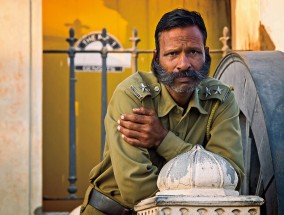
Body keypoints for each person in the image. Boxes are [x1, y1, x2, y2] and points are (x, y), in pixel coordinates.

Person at [80, 8, 245, 215]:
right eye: (172, 54)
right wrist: (202, 186)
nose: (183, 64)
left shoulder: (220, 99)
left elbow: (231, 178)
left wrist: (163, 139)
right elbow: (136, 189)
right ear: (157, 58)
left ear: (206, 53)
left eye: (193, 52)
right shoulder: (132, 96)